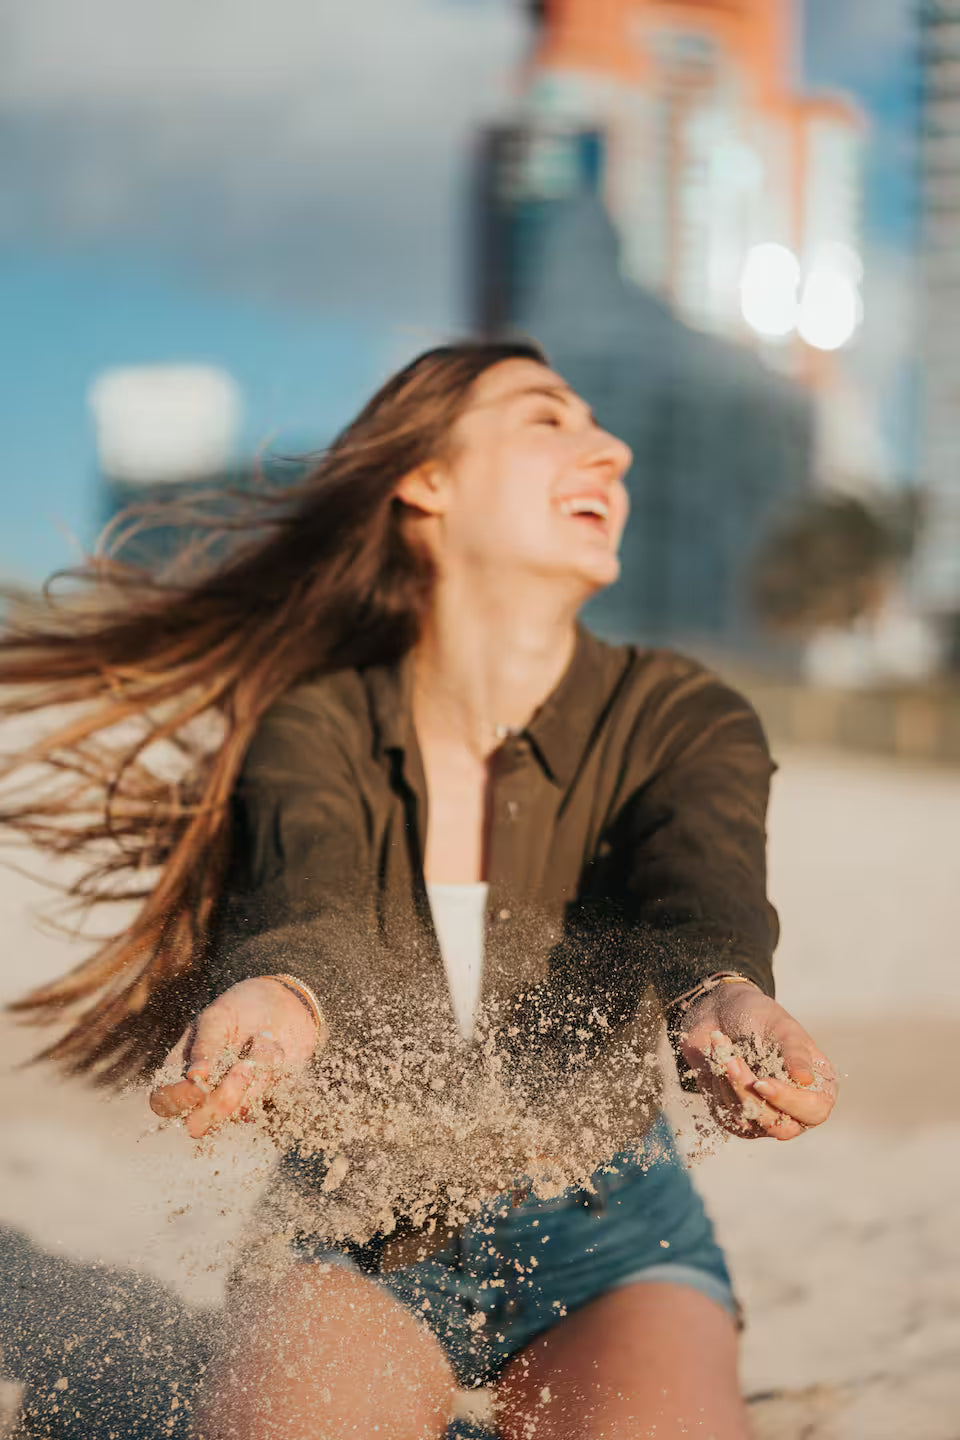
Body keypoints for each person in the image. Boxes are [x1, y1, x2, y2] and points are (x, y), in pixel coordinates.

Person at [2, 340, 836, 1439]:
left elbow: (700, 883)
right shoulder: (320, 725)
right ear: (426, 480)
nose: (613, 451)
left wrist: (720, 995)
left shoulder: (683, 715)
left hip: (611, 1224)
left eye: (601, 429)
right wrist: (283, 999)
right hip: (352, 1221)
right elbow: (316, 901)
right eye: (548, 418)